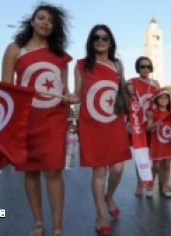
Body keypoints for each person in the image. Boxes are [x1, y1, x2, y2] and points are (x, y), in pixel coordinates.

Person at [1, 4, 71, 236]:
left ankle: (58, 227)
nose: (45, 23)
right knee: (31, 172)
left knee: (53, 171)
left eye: (50, 21)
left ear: (55, 27)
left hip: (54, 119)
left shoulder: (60, 56)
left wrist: (74, 98)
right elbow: (6, 89)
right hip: (26, 119)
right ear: (31, 21)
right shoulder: (15, 49)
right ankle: (39, 222)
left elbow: (66, 90)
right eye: (41, 18)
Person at [70, 24, 131, 235]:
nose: (100, 40)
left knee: (117, 169)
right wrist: (69, 96)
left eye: (104, 37)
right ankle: (100, 214)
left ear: (110, 41)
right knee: (99, 172)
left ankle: (109, 196)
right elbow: (77, 95)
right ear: (91, 41)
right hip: (92, 123)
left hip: (114, 121)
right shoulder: (80, 65)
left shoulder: (118, 65)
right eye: (96, 37)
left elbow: (120, 93)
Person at [127, 56, 160, 197]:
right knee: (141, 155)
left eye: (148, 66)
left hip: (153, 123)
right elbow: (126, 94)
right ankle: (140, 184)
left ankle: (150, 183)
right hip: (138, 124)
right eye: (142, 66)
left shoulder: (156, 83)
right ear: (138, 68)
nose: (145, 69)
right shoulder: (132, 82)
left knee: (155, 156)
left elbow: (159, 101)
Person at [146, 88, 171, 198]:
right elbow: (148, 128)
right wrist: (155, 124)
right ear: (156, 100)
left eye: (166, 97)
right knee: (156, 167)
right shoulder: (152, 113)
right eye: (161, 98)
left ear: (169, 100)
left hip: (168, 144)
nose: (164, 100)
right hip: (157, 145)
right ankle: (150, 185)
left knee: (167, 166)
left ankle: (165, 186)